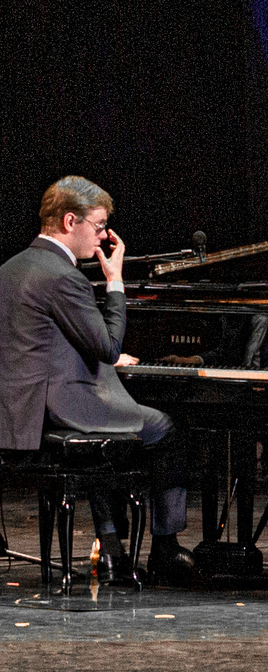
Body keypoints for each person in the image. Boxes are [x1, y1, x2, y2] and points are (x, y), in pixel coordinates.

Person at [0, 177, 191, 585]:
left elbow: (38, 341)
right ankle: (166, 546)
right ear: (71, 221)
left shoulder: (10, 268)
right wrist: (115, 281)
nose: (105, 235)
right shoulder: (64, 276)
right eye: (100, 224)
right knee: (165, 428)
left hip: (18, 411)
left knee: (105, 447)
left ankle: (112, 546)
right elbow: (106, 346)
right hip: (61, 407)